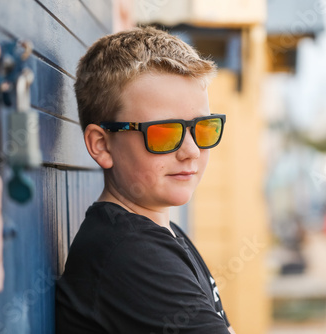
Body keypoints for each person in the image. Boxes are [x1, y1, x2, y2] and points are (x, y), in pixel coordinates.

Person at [55, 26, 235, 334]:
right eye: (164, 133)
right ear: (102, 144)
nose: (191, 151)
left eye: (203, 128)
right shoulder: (129, 256)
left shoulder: (161, 233)